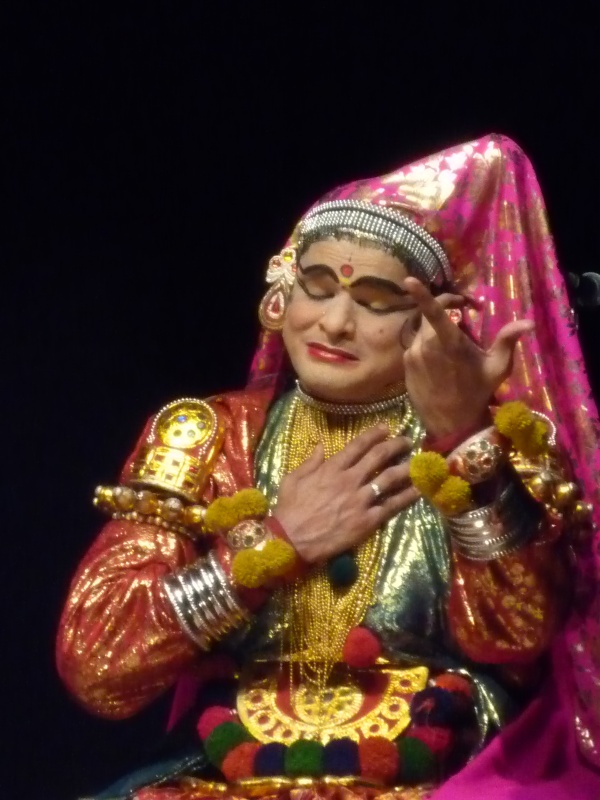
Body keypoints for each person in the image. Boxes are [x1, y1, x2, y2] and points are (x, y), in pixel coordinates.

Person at [57, 134, 600, 800]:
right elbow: (98, 663)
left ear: (436, 319)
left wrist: (462, 438)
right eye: (317, 288)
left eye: (375, 301)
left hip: (441, 770)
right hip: (234, 768)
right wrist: (273, 547)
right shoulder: (208, 435)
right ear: (280, 297)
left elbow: (513, 637)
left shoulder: (493, 440)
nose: (335, 323)